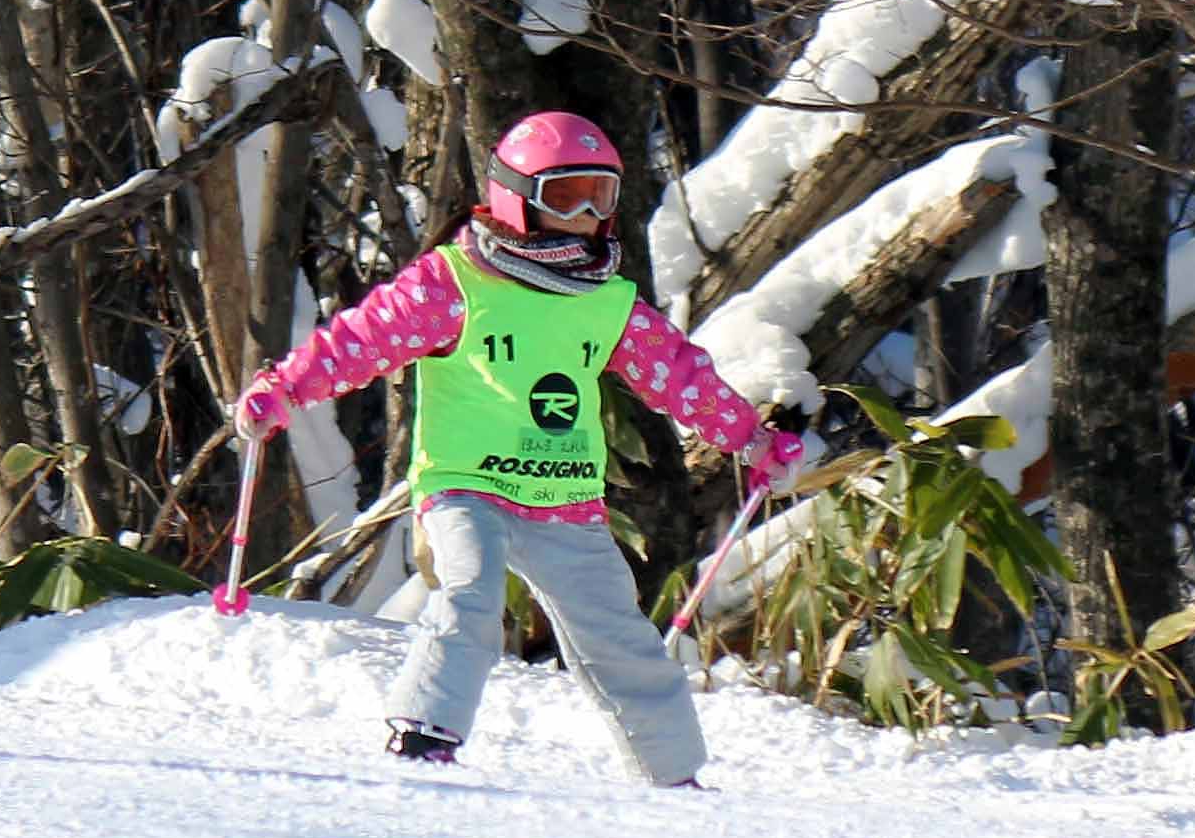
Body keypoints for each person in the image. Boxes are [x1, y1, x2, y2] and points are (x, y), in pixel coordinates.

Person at [234, 109, 810, 782]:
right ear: (517, 197)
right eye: (566, 196)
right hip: (467, 483)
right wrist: (286, 388)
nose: (586, 215)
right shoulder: (455, 283)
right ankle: (422, 737)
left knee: (618, 633)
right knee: (470, 593)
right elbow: (365, 337)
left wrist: (750, 439)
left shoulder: (605, 300)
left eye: (601, 195)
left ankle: (672, 773)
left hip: (564, 496)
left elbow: (680, 376)